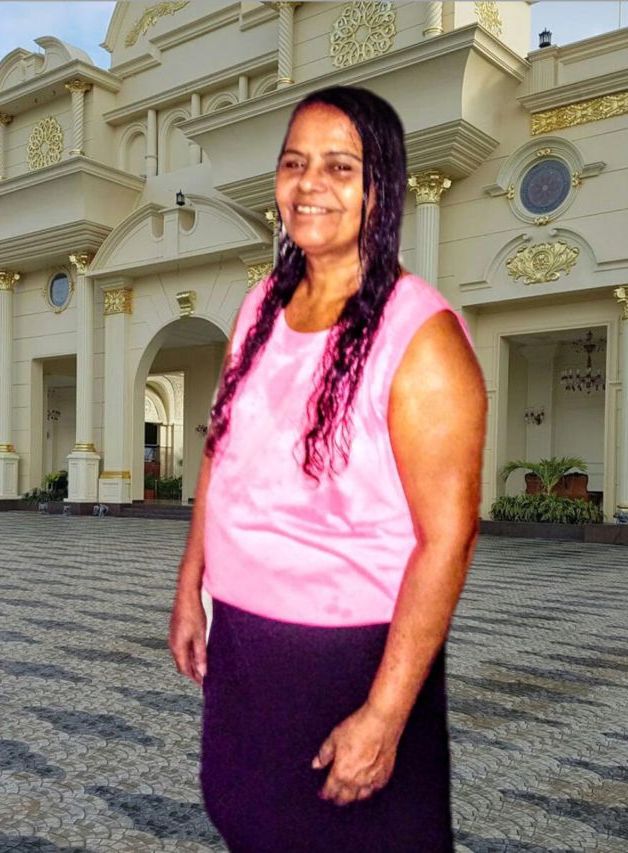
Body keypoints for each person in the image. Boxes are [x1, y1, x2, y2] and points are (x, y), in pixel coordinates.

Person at [169, 85, 487, 853]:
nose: (309, 184)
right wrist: (191, 586)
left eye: (339, 167)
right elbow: (221, 450)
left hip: (352, 658)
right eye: (294, 163)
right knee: (247, 819)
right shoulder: (259, 306)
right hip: (244, 642)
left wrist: (385, 713)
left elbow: (447, 538)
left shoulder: (423, 338)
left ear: (381, 189)